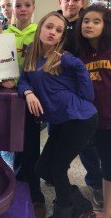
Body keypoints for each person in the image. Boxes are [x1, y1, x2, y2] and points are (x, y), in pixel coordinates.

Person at [18, 11, 98, 218]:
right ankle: (79, 204)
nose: (53, 32)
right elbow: (24, 79)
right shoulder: (31, 57)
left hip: (80, 119)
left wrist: (76, 64)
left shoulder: (65, 59)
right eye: (49, 27)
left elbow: (88, 95)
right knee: (42, 169)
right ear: (40, 29)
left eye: (59, 30)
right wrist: (28, 93)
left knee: (58, 166)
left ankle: (64, 211)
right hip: (61, 122)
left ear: (62, 37)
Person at [58, 0, 103, 207]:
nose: (71, 3)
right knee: (59, 136)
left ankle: (95, 182)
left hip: (83, 93)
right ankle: (57, 173)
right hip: (59, 93)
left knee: (88, 144)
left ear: (81, 3)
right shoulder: (54, 22)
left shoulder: (85, 27)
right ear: (60, 2)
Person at [2, 0, 45, 217]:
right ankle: (17, 187)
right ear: (12, 8)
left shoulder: (39, 33)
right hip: (9, 97)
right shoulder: (4, 34)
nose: (22, 9)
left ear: (33, 7)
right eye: (18, 5)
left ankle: (35, 191)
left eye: (27, 5)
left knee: (30, 144)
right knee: (13, 145)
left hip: (31, 96)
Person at [77, 4, 111, 218]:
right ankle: (107, 211)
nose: (89, 25)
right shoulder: (82, 56)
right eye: (86, 21)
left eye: (96, 21)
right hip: (99, 122)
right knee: (107, 165)